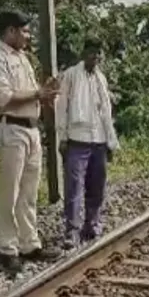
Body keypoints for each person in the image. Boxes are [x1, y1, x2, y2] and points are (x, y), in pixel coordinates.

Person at [0, 10, 62, 273]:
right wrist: (39, 92)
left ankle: (29, 243)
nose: (28, 36)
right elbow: (4, 97)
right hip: (9, 128)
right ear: (11, 31)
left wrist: (43, 95)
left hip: (30, 128)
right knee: (9, 192)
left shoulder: (23, 59)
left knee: (28, 192)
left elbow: (28, 94)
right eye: (24, 31)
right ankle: (6, 248)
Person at [55, 39, 120, 246]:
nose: (96, 57)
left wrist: (111, 142)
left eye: (99, 53)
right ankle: (72, 230)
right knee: (74, 186)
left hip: (99, 140)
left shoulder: (100, 78)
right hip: (77, 139)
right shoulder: (71, 76)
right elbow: (62, 107)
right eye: (92, 52)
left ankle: (92, 224)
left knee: (97, 186)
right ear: (84, 53)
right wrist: (62, 137)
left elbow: (106, 113)